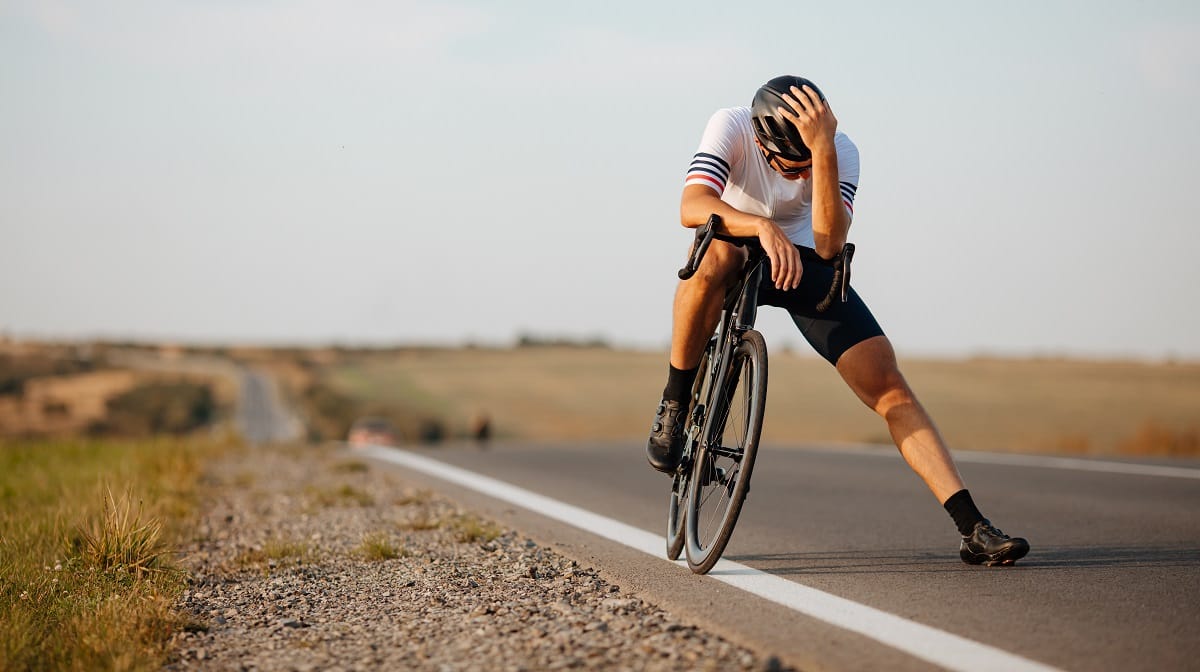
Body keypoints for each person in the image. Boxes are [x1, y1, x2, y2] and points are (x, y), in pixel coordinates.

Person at [646, 75, 1029, 566]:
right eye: (794, 167)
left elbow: (828, 243)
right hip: (737, 242)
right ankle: (675, 403)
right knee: (711, 260)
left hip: (805, 262)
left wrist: (822, 149)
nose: (803, 178)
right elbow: (691, 206)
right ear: (763, 143)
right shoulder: (732, 125)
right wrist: (762, 226)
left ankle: (972, 526)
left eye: (811, 165)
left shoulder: (841, 151)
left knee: (890, 388)